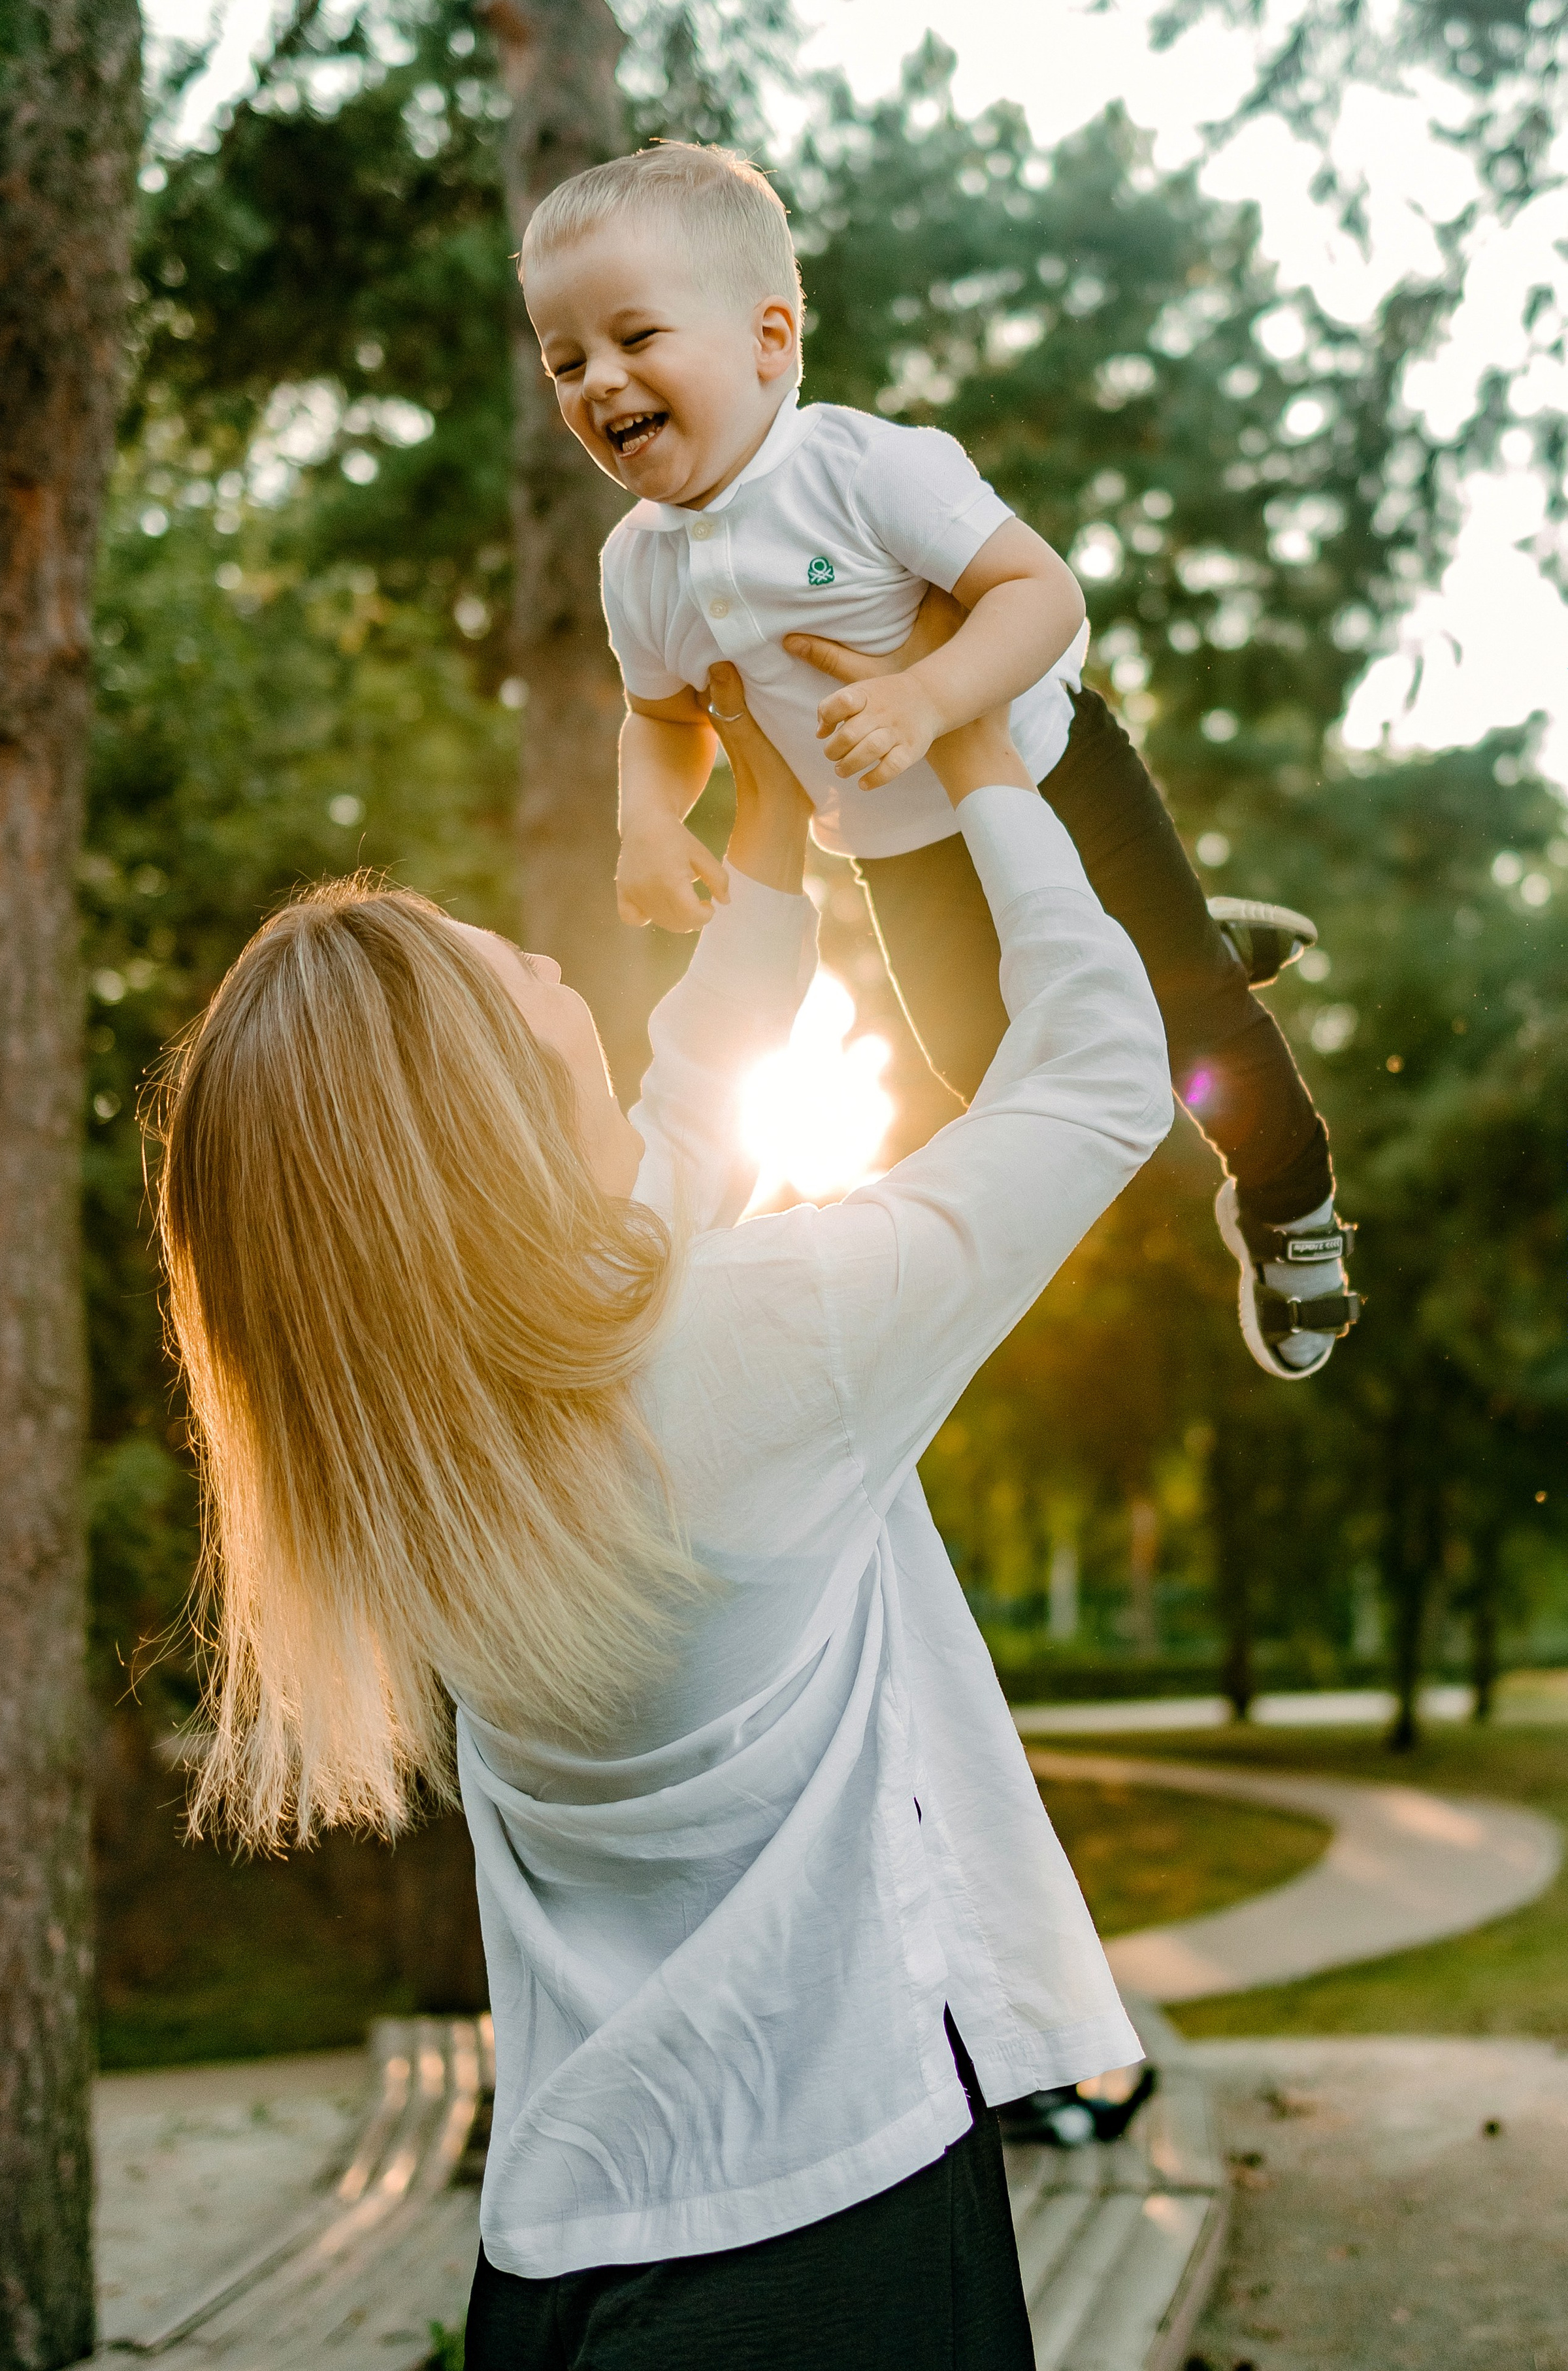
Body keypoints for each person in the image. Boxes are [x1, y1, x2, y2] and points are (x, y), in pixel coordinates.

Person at [152, 687, 1173, 2367]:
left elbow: (687, 1127)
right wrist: (981, 752)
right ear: (479, 1099)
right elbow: (1100, 1084)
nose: (553, 966)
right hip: (825, 2237)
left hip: (565, 2252)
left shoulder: (435, 1450)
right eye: (514, 969)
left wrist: (767, 830)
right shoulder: (764, 1338)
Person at [520, 139, 1361, 1382]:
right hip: (894, 845)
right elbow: (667, 720)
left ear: (769, 340)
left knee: (1201, 1025)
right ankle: (1164, 943)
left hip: (1051, 773)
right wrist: (649, 823)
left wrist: (928, 695)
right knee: (989, 1071)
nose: (601, 379)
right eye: (566, 361)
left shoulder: (868, 469)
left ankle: (1291, 1202)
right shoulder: (635, 567)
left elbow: (1041, 595)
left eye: (636, 337)